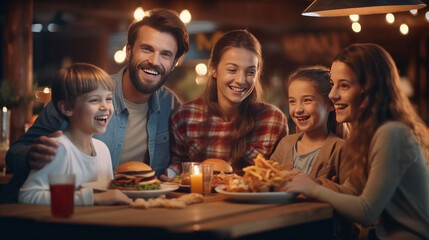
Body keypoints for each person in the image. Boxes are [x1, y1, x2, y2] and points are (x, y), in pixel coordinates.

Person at [1, 8, 189, 203]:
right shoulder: (82, 94)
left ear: (174, 62)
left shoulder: (172, 105)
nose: (154, 61)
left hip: (126, 213)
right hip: (52, 214)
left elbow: (179, 162)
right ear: (129, 50)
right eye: (147, 49)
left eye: (166, 54)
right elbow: (15, 153)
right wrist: (31, 155)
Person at [284, 43, 429, 239]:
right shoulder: (363, 135)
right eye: (333, 84)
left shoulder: (392, 133)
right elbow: (352, 192)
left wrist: (313, 189)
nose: (332, 94)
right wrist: (314, 182)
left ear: (370, 90)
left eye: (343, 85)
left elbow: (366, 212)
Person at [167, 29, 288, 176]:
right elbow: (178, 166)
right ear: (213, 69)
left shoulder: (273, 119)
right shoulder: (184, 116)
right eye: (232, 70)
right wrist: (168, 175)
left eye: (250, 72)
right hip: (198, 198)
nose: (241, 80)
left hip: (253, 198)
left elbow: (280, 173)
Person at [19, 63, 130, 205]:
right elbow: (28, 195)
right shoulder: (60, 148)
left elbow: (109, 196)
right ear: (67, 108)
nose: (105, 107)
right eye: (94, 100)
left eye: (108, 99)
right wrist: (93, 199)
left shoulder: (103, 150)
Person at [270, 66, 355, 194]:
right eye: (292, 101)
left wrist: (327, 186)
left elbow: (350, 195)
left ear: (330, 104)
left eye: (307, 100)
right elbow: (266, 182)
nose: (298, 109)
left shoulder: (341, 150)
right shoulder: (285, 144)